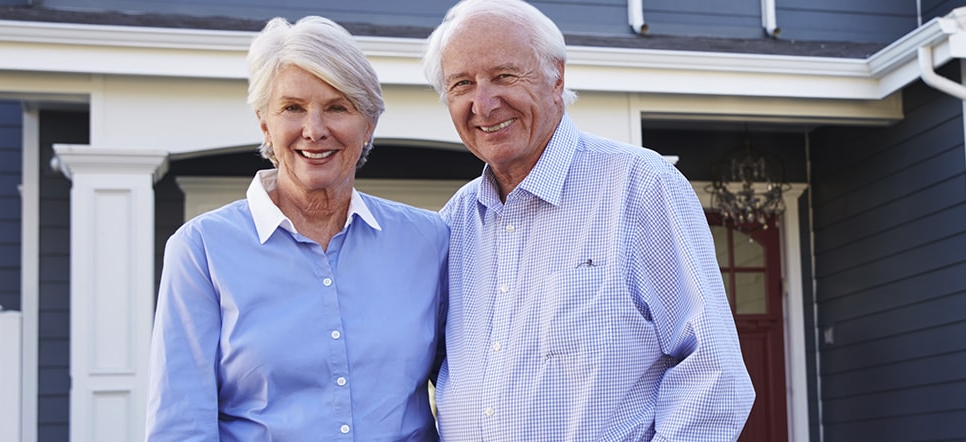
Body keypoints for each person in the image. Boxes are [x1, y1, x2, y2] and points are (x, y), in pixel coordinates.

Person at [421, 0, 755, 440]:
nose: (483, 104)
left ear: (556, 77)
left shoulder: (641, 189)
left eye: (504, 76)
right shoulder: (452, 226)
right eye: (462, 84)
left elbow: (713, 373)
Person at [146, 16, 448, 441]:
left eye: (337, 107)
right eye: (292, 108)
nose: (314, 130)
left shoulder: (428, 241)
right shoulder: (201, 251)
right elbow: (181, 427)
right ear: (265, 124)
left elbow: (473, 384)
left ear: (369, 125)